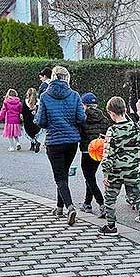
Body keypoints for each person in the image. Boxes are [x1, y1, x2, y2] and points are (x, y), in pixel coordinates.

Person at [35, 66, 86, 225]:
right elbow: (81, 118)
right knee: (63, 174)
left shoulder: (44, 96)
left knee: (59, 177)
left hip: (54, 141)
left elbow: (41, 121)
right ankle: (59, 207)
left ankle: (70, 207)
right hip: (71, 141)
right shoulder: (74, 95)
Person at [99, 96, 140, 240]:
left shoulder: (112, 130)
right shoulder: (135, 127)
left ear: (111, 113)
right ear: (124, 110)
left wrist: (105, 174)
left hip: (115, 173)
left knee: (110, 199)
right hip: (133, 171)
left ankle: (111, 226)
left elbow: (107, 154)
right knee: (136, 198)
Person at [78, 92, 110, 216]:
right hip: (99, 151)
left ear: (84, 104)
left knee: (89, 177)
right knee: (90, 176)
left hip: (87, 150)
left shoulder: (83, 117)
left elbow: (79, 133)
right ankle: (87, 203)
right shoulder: (104, 118)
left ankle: (102, 203)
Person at [21, 88, 43, 153]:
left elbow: (23, 111)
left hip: (28, 120)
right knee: (35, 132)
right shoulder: (38, 101)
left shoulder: (25, 101)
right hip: (36, 120)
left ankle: (33, 145)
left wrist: (22, 116)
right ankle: (36, 142)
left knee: (30, 132)